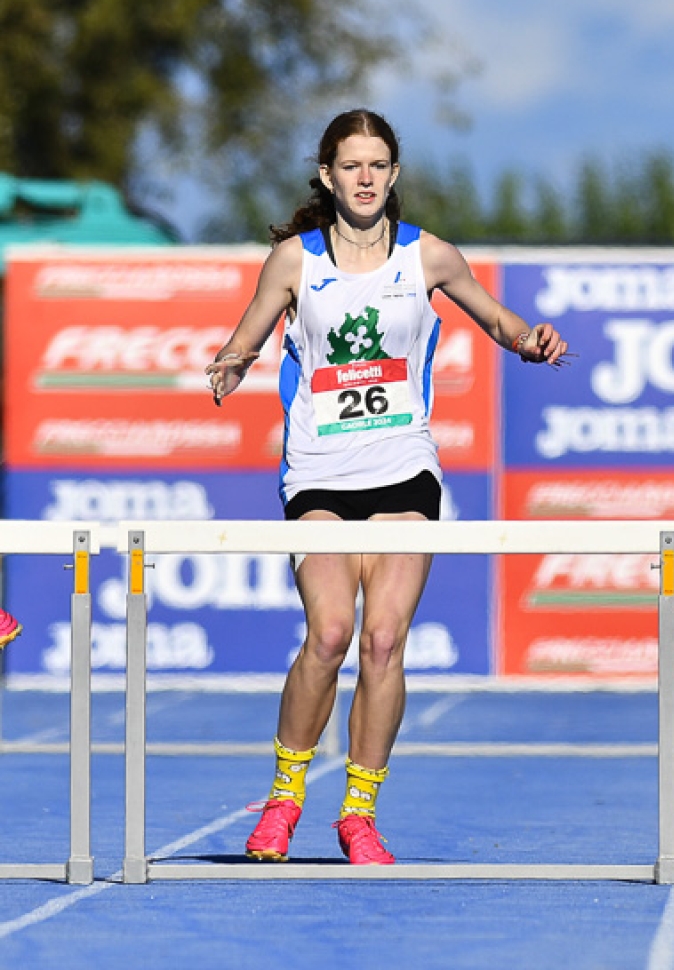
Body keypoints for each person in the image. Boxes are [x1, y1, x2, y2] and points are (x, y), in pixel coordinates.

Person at [207, 109, 570, 865]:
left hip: (404, 470)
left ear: (393, 176)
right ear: (327, 175)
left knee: (381, 642)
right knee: (330, 634)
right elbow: (244, 339)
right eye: (352, 166)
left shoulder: (428, 257)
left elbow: (499, 321)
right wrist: (231, 364)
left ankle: (359, 814)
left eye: (378, 166)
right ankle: (283, 799)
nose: (365, 178)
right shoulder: (292, 263)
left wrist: (531, 340)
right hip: (317, 475)